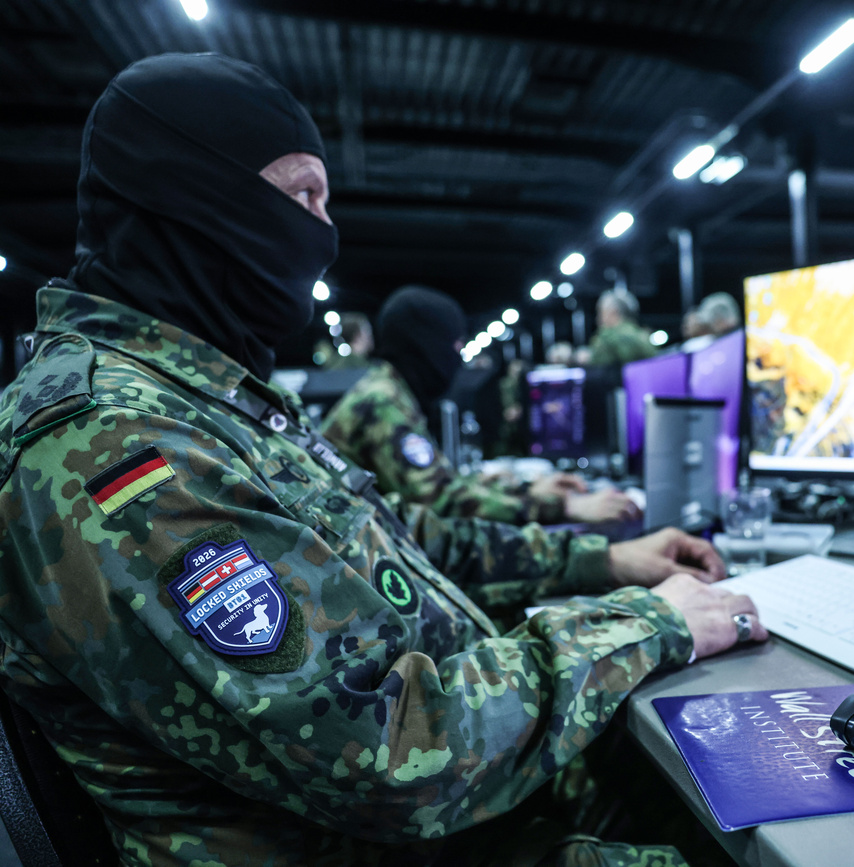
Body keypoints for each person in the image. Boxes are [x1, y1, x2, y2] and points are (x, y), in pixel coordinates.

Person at [0, 53, 767, 867]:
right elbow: (384, 754)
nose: (323, 233)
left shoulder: (212, 397)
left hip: (475, 813)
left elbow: (399, 548)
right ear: (192, 196)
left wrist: (602, 558)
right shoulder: (111, 446)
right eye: (301, 196)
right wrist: (645, 626)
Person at [322, 285, 639, 525]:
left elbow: (438, 484)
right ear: (426, 346)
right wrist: (565, 507)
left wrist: (526, 491)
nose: (458, 358)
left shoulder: (391, 391)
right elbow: (444, 504)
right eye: (455, 346)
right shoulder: (382, 403)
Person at [587, 288, 657, 368]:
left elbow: (597, 365)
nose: (597, 318)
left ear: (613, 312)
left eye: (600, 312)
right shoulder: (643, 335)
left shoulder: (606, 337)